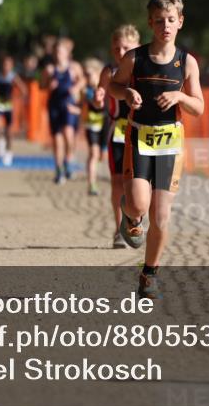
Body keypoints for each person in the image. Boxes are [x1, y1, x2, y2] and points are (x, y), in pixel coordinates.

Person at [108, 0, 204, 299]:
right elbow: (113, 85)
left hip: (170, 143)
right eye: (160, 20)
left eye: (171, 20)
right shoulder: (134, 58)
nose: (166, 25)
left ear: (181, 23)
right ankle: (131, 216)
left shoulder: (187, 63)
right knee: (138, 204)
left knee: (161, 216)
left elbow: (199, 106)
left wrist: (180, 96)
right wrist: (126, 94)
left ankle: (149, 275)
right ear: (151, 22)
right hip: (139, 136)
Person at [99, 24, 140, 249]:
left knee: (136, 183)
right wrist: (97, 98)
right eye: (117, 48)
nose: (121, 52)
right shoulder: (109, 72)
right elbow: (100, 95)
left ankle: (134, 220)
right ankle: (118, 230)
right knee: (117, 183)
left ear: (137, 47)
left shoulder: (143, 70)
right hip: (116, 131)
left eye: (126, 47)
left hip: (140, 132)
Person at [45, 37, 85, 183]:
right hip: (54, 105)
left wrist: (76, 87)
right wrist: (49, 84)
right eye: (56, 52)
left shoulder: (74, 67)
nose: (58, 54)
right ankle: (58, 169)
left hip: (68, 104)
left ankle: (68, 160)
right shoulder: (50, 69)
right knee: (57, 138)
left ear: (67, 53)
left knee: (69, 134)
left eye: (61, 51)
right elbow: (42, 85)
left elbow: (83, 80)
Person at [81, 58, 110, 197]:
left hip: (106, 123)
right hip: (91, 125)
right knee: (93, 153)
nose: (86, 77)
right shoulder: (86, 90)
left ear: (99, 73)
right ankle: (91, 184)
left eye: (89, 74)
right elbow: (82, 104)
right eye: (84, 75)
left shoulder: (106, 87)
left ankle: (95, 174)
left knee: (101, 156)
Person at [0, 55, 24, 167]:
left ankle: (9, 153)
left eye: (8, 65)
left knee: (9, 132)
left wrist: (18, 99)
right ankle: (0, 143)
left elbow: (23, 89)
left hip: (9, 106)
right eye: (4, 64)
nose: (6, 67)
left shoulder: (13, 77)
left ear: (11, 66)